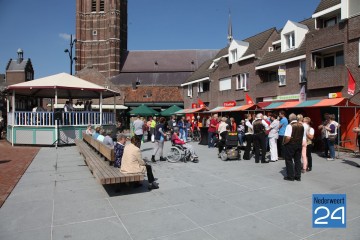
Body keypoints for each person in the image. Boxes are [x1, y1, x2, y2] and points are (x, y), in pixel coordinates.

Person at [283, 113, 304, 181]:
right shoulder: (301, 125)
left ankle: (290, 176)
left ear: (290, 119)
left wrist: (285, 143)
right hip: (299, 144)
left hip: (291, 144)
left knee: (289, 160)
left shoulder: (290, 126)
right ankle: (298, 176)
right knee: (297, 160)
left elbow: (288, 137)